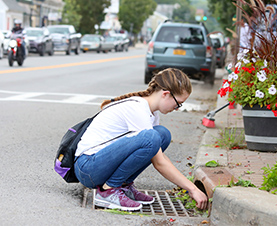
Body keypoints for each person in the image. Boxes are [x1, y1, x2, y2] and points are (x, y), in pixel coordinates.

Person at [74, 68, 208, 211]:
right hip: (88, 168)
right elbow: (159, 162)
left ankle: (124, 185)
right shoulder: (137, 108)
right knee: (151, 138)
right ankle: (108, 191)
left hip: (99, 164)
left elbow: (157, 154)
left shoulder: (151, 111)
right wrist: (192, 189)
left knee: (162, 134)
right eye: (178, 104)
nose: (177, 109)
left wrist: (189, 187)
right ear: (166, 94)